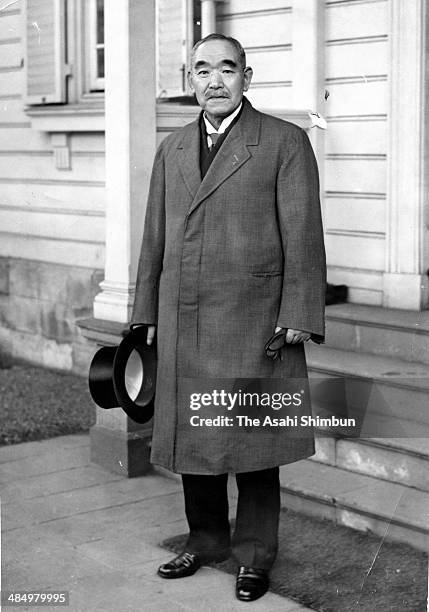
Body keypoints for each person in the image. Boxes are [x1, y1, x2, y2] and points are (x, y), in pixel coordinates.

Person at [131, 33, 326, 602]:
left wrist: (298, 312)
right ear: (189, 79)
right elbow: (154, 238)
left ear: (247, 75)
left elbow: (304, 237)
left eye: (226, 69)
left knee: (255, 443)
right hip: (183, 316)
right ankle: (207, 537)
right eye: (202, 70)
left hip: (255, 320)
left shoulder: (284, 142)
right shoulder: (171, 149)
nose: (214, 80)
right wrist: (145, 312)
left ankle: (255, 554)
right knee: (196, 436)